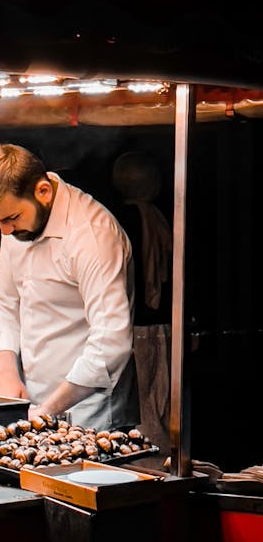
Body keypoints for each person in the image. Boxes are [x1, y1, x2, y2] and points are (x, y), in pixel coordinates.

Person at [0, 142, 139, 431]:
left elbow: (110, 343)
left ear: (43, 191)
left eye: (11, 218)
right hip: (35, 402)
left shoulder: (92, 237)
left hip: (91, 411)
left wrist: (49, 409)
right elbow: (4, 301)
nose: (5, 231)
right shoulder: (17, 224)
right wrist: (6, 375)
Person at [110, 149, 173, 453]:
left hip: (144, 324)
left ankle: (155, 452)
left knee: (154, 398)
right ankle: (147, 454)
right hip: (136, 326)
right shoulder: (129, 221)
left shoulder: (150, 217)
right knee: (148, 398)